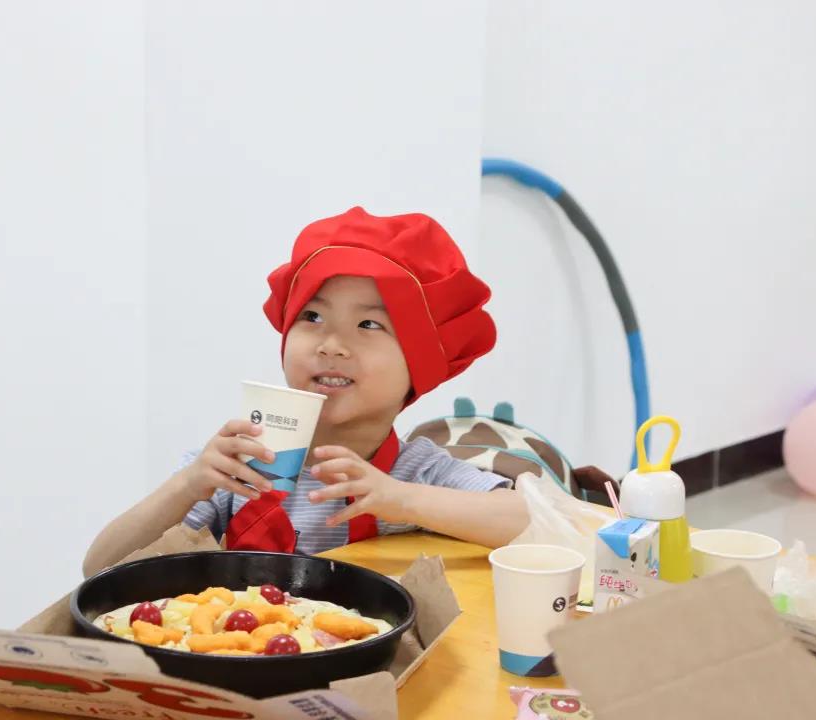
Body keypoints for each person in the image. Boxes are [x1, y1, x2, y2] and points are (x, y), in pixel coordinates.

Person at [84, 207, 529, 576]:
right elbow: (99, 568)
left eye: (369, 324)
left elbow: (536, 523)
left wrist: (400, 499)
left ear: (419, 365)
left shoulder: (416, 472)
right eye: (312, 317)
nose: (331, 344)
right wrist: (187, 484)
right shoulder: (240, 466)